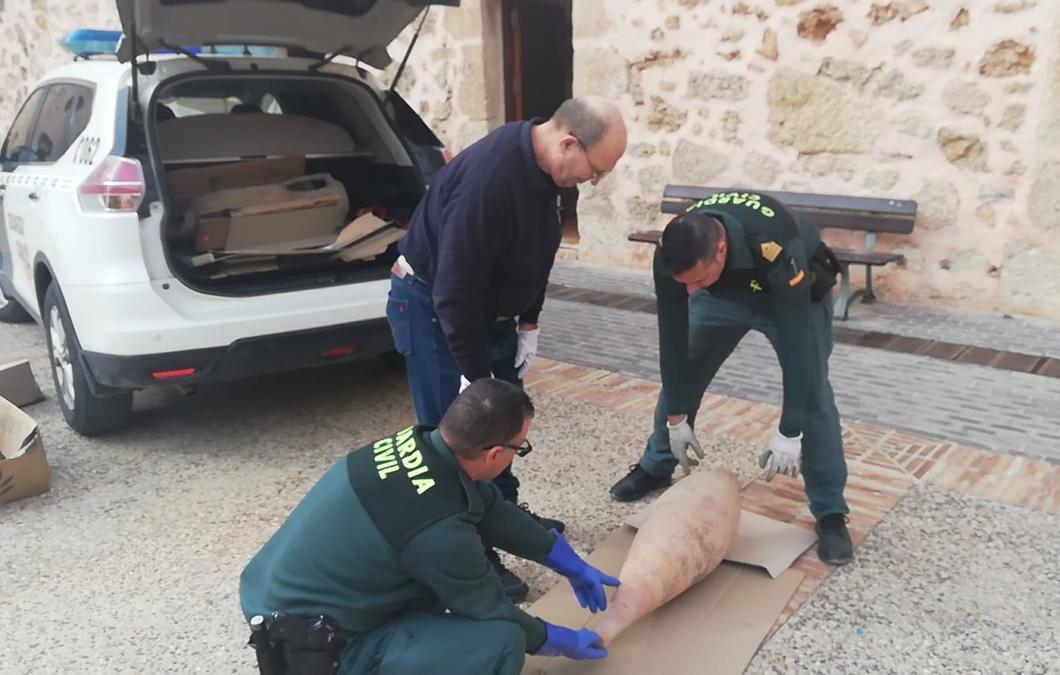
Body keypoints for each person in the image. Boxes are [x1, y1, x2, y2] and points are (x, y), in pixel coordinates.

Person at [387, 95, 627, 600]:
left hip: (489, 316)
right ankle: (468, 551)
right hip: (437, 311)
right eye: (596, 171)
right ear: (568, 142)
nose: (591, 181)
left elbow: (539, 252)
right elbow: (455, 291)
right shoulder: (490, 181)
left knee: (504, 433)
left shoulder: (547, 173)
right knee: (455, 443)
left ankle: (502, 516)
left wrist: (529, 322)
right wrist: (476, 378)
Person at [239, 378, 617, 675]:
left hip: (280, 595)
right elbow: (490, 609)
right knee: (502, 640)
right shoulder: (439, 531)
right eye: (522, 447)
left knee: (432, 593)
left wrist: (566, 561)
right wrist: (556, 639)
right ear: (495, 454)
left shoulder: (418, 446)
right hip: (318, 644)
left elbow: (488, 507)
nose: (520, 453)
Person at [607, 191, 855, 566]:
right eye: (683, 283)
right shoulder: (674, 254)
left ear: (721, 250)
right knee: (685, 372)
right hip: (721, 297)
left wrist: (789, 430)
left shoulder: (775, 246)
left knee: (813, 394)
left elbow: (797, 356)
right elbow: (672, 340)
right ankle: (656, 464)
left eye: (696, 279)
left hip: (787, 298)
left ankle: (830, 512)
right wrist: (676, 415)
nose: (688, 291)